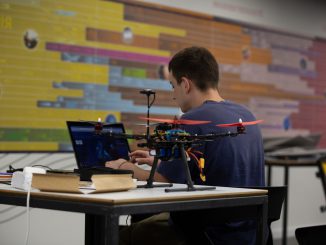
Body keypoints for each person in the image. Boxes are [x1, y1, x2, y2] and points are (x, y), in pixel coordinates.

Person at [106, 46, 265, 245]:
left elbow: (166, 180)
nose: (173, 95)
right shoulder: (247, 116)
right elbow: (216, 164)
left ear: (186, 84)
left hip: (206, 234)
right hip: (249, 235)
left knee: (120, 236)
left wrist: (128, 168)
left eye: (173, 86)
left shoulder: (192, 120)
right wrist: (158, 160)